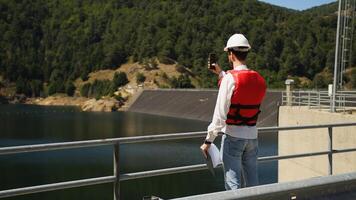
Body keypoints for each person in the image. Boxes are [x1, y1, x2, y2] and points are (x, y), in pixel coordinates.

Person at [200, 33, 267, 190]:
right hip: (252, 138)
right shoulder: (259, 79)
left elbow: (219, 116)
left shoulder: (230, 79)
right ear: (246, 53)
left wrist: (208, 141)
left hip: (233, 138)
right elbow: (243, 87)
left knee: (233, 185)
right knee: (252, 183)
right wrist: (221, 73)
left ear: (230, 54)